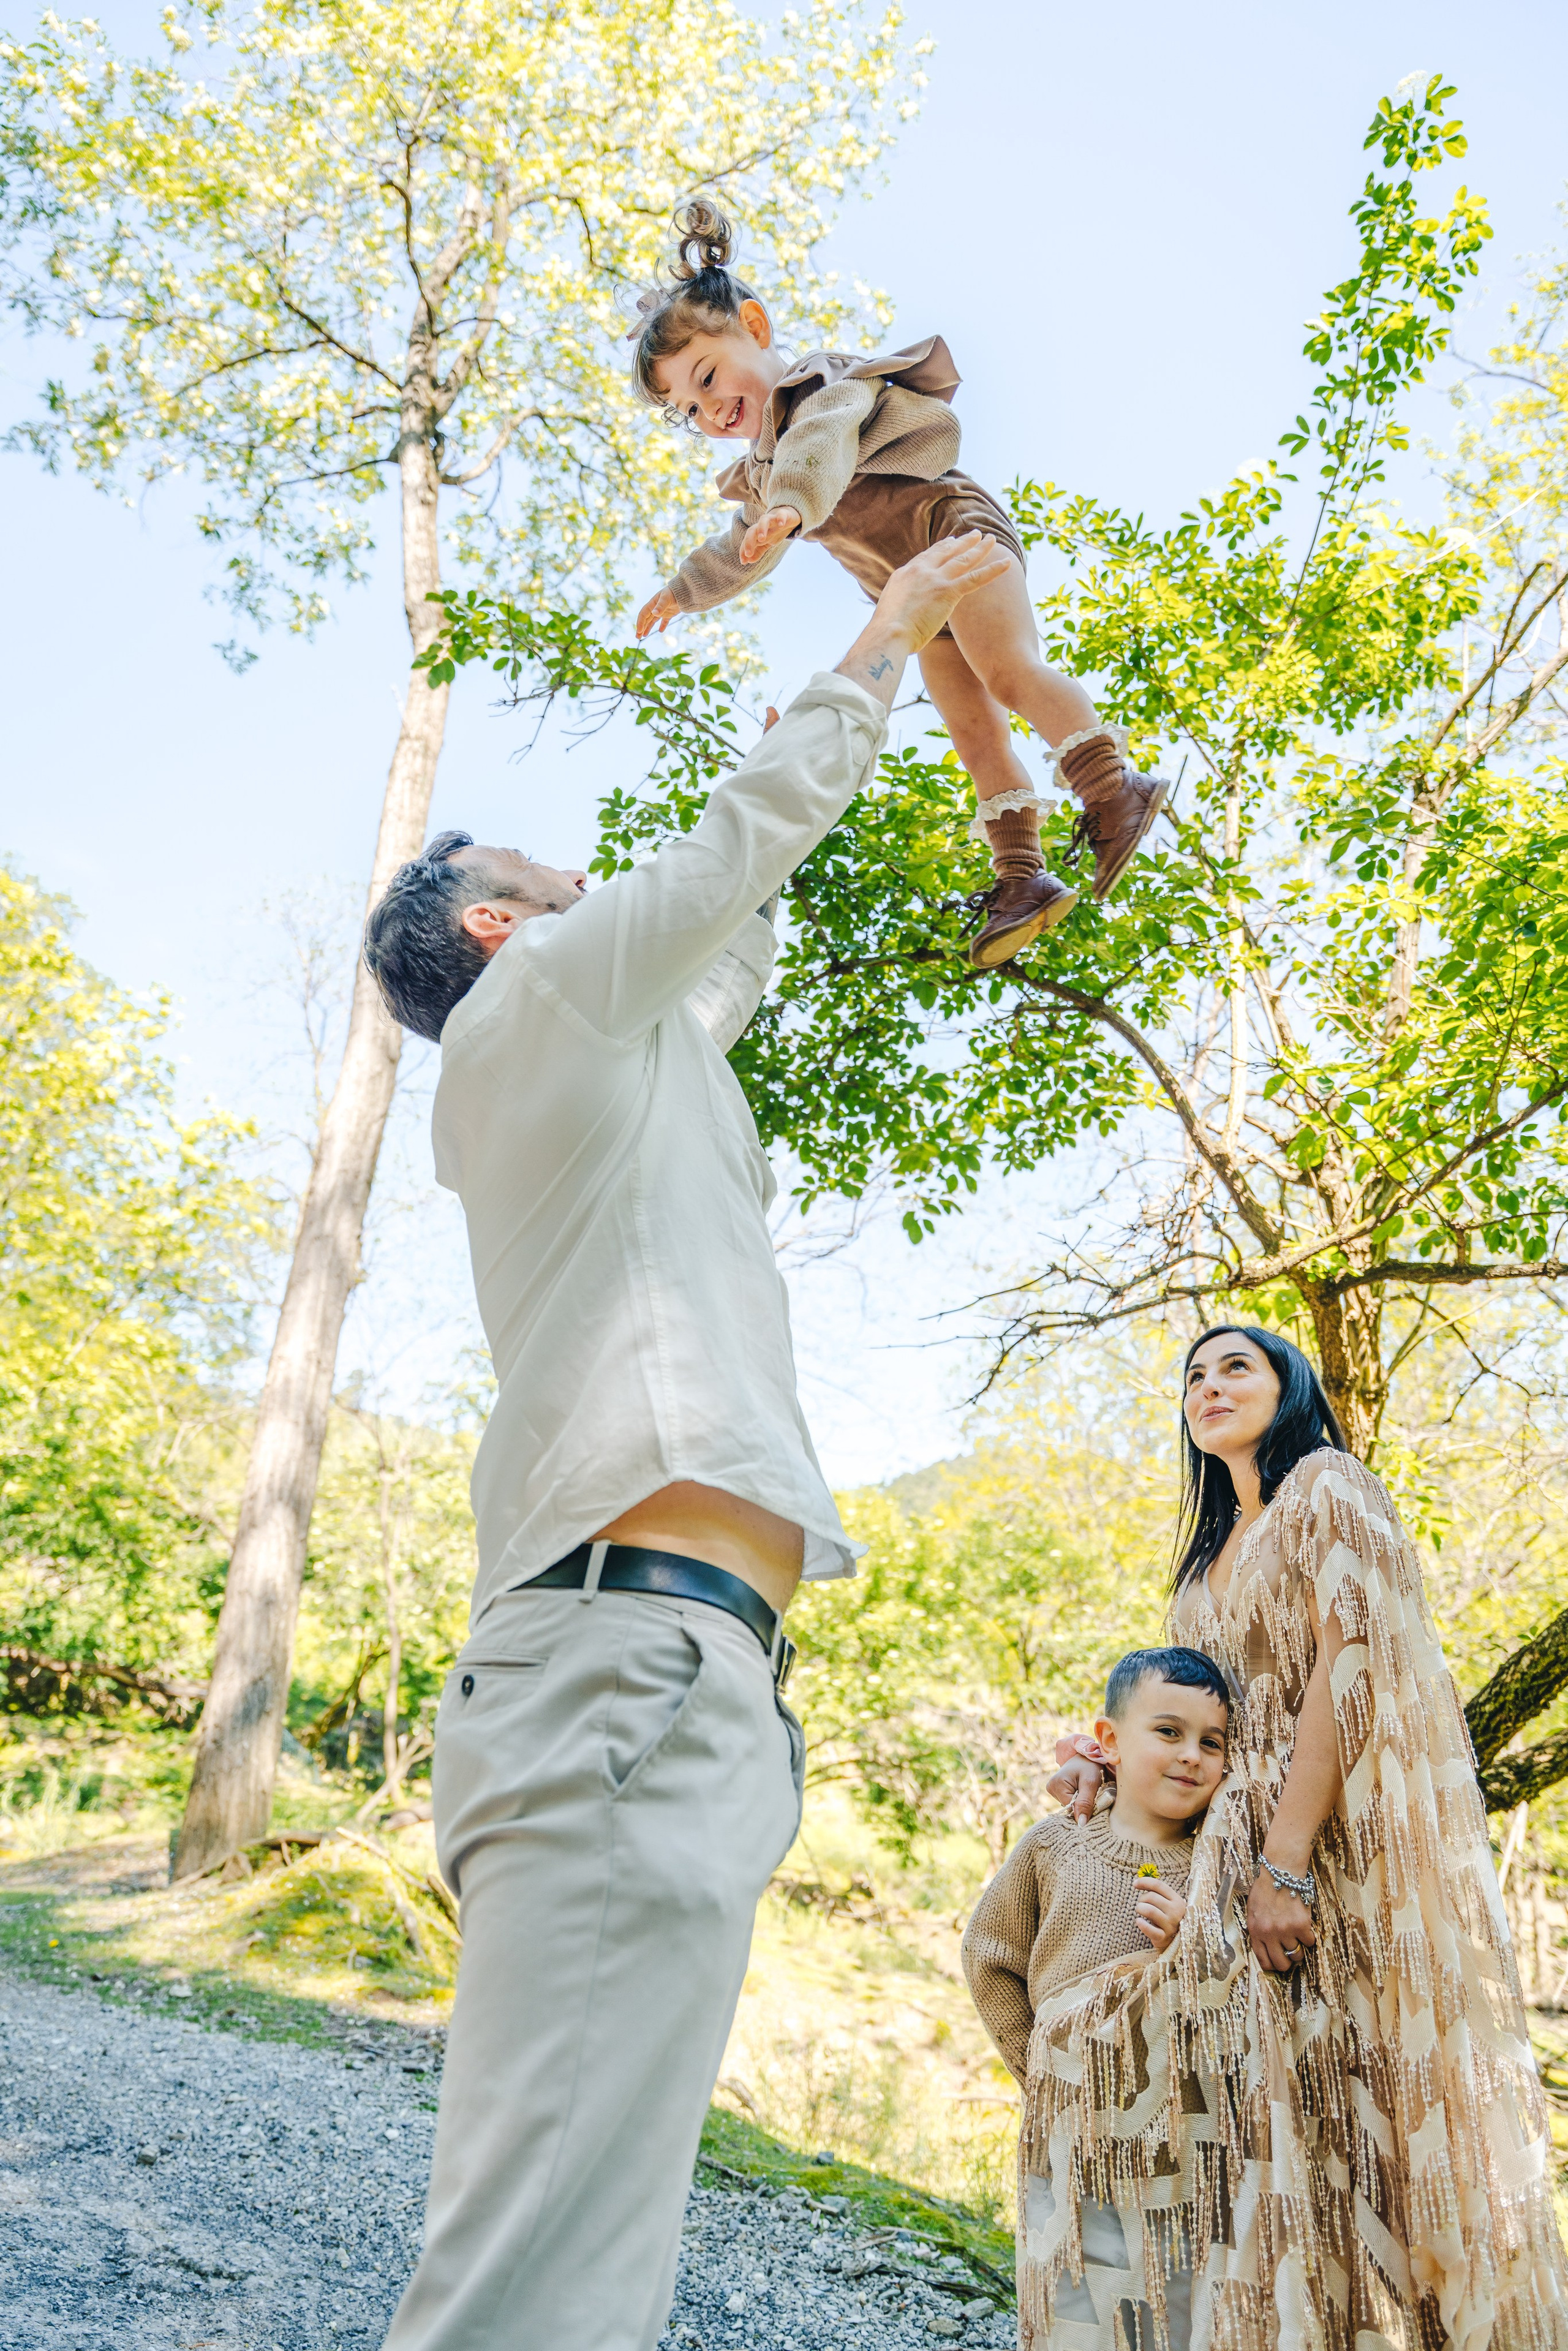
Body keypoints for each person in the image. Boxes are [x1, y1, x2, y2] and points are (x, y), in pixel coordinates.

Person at [359, 530, 1011, 2351]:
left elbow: (740, 921)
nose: (582, 878)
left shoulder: (602, 1045)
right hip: (620, 1673)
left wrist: (873, 660)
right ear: (495, 929)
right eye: (542, 871)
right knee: (528, 2288)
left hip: (670, 1676)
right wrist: (884, 625)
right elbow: (736, 848)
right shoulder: (532, 1006)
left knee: (586, 2272)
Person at [1039, 1326, 1568, 2351]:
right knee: (1256, 2123)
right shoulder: (1203, 1556)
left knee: (1349, 2096)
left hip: (1325, 1852)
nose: (1208, 1384)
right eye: (1192, 1374)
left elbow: (1350, 1668)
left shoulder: (1326, 1486)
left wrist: (1284, 1865)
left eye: (1236, 1364)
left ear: (1291, 1386)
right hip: (1220, 1867)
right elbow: (1184, 1713)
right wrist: (1100, 1761)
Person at [628, 200, 1169, 972]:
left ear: (753, 324)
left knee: (1009, 671)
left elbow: (820, 446)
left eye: (708, 376)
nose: (710, 407)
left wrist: (787, 507)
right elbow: (740, 546)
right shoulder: (761, 472)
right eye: (689, 408)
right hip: (912, 592)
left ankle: (1113, 789)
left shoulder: (823, 387)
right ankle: (1022, 878)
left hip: (950, 531)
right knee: (974, 734)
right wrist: (686, 589)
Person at [963, 1647, 1231, 2351]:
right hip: (1068, 2134)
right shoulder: (1057, 1845)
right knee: (1072, 2295)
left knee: (1168, 2304)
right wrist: (1039, 2070)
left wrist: (1191, 1942)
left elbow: (1239, 2002)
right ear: (1107, 1742)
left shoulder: (1216, 1868)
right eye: (1167, 1732)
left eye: (1212, 1742)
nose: (1190, 1757)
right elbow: (990, 1956)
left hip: (1175, 2150)